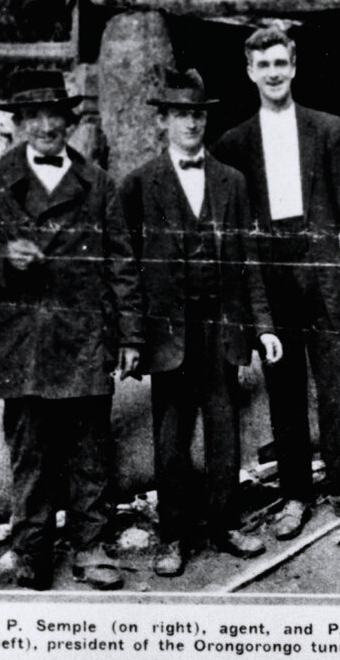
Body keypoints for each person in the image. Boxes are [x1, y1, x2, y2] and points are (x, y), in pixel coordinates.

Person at [0, 70, 145, 590]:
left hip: (85, 336)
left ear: (69, 120)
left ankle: (91, 546)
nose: (45, 126)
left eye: (53, 115)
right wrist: (2, 258)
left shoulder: (99, 184)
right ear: (18, 125)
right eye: (32, 116)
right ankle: (31, 551)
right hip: (25, 340)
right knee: (32, 452)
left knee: (90, 449)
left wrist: (130, 337)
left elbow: (122, 265)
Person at [119, 68, 281, 576]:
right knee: (170, 436)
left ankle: (225, 524)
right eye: (181, 114)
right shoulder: (139, 184)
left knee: (224, 429)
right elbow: (125, 264)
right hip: (169, 330)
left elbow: (249, 258)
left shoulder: (231, 181)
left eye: (197, 114)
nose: (190, 123)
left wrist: (264, 326)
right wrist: (131, 335)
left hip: (222, 324)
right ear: (164, 119)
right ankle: (173, 536)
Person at [214, 25, 340, 535]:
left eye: (281, 63)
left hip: (325, 274)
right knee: (284, 391)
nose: (274, 73)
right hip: (271, 278)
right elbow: (233, 231)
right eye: (264, 66)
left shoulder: (329, 130)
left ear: (294, 66)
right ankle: (295, 495)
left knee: (336, 384)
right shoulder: (234, 142)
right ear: (250, 72)